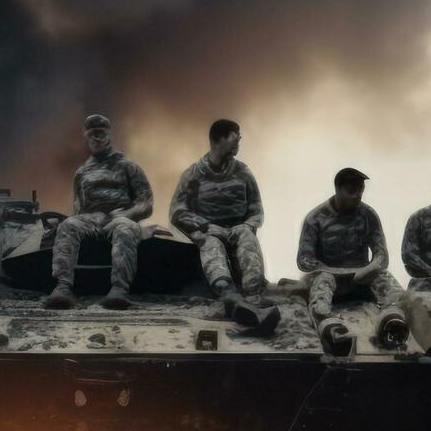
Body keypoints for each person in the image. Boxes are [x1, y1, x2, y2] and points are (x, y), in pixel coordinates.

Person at [44, 114, 152, 310]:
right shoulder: (82, 173)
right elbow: (78, 208)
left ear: (109, 136)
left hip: (121, 218)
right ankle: (63, 288)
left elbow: (146, 204)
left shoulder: (128, 167)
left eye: (101, 134)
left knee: (124, 229)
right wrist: (85, 220)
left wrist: (123, 216)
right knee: (68, 225)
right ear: (87, 137)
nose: (97, 139)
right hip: (91, 219)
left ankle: (119, 290)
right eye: (92, 134)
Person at [169, 118, 268, 309]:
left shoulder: (242, 172)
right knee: (209, 242)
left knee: (247, 236)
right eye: (235, 137)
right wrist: (203, 225)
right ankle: (227, 292)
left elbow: (256, 210)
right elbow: (177, 211)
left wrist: (247, 225)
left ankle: (253, 294)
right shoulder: (194, 175)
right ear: (219, 139)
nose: (239, 142)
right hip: (210, 231)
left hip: (237, 231)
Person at [296, 168, 403, 324]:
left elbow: (381, 255)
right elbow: (304, 260)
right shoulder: (316, 218)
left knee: (387, 281)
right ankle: (325, 322)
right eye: (352, 191)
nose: (358, 196)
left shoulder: (368, 215)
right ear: (338, 190)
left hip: (361, 278)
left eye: (361, 191)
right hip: (328, 277)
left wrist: (369, 269)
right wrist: (335, 272)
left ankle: (395, 318)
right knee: (322, 283)